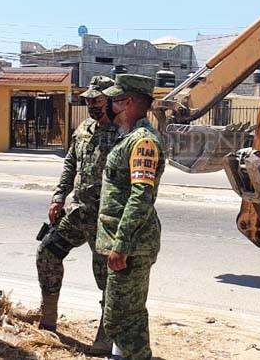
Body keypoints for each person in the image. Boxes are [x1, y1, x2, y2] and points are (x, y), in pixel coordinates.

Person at [23, 75, 117, 355]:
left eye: (97, 100)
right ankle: (48, 314)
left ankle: (106, 331)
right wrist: (58, 197)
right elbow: (70, 165)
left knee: (107, 278)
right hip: (78, 212)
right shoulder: (85, 128)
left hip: (106, 219)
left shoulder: (126, 131)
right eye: (88, 100)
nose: (91, 105)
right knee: (47, 252)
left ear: (111, 100)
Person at [97, 74, 164, 360]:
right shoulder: (128, 137)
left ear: (129, 102)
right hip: (123, 242)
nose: (108, 105)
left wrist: (121, 244)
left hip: (132, 245)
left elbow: (141, 196)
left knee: (123, 318)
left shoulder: (143, 142)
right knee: (122, 316)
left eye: (113, 100)